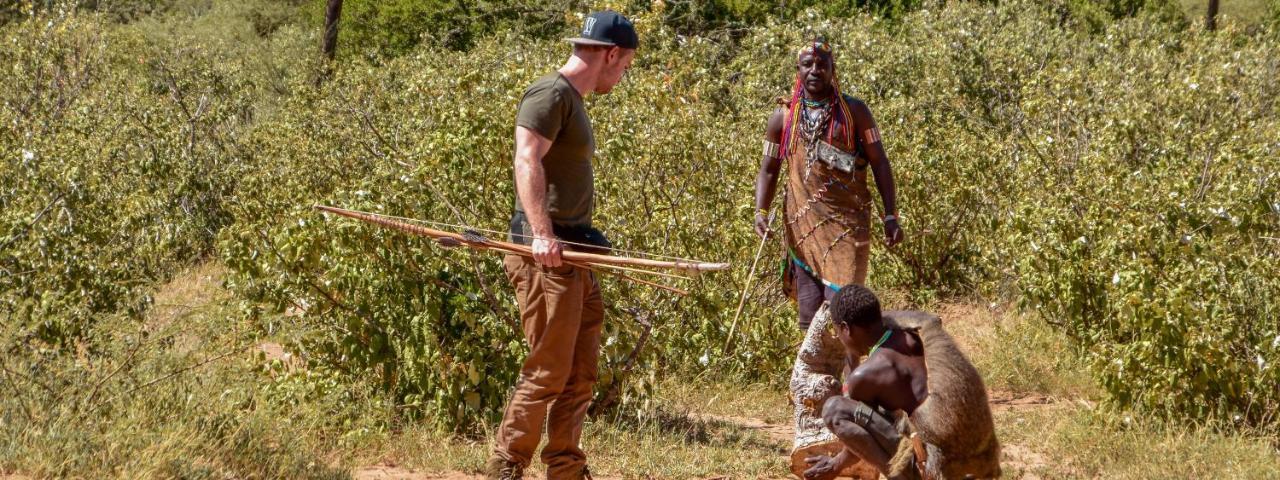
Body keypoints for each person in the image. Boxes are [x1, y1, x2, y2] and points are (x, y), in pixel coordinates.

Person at [485, 10, 637, 480]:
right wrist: (542, 235)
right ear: (610, 54)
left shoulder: (574, 99)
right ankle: (507, 465)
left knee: (581, 372)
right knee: (549, 369)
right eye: (625, 64)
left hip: (576, 253)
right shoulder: (550, 93)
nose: (623, 74)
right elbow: (526, 158)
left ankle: (566, 468)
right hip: (545, 255)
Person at [754, 37, 903, 331]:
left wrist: (890, 215)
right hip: (802, 227)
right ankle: (818, 377)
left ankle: (852, 375)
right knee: (809, 318)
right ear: (797, 69)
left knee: (844, 314)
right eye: (807, 64)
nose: (815, 70)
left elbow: (880, 162)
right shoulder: (782, 118)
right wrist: (760, 211)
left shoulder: (854, 112)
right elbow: (769, 169)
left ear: (833, 69)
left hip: (847, 226)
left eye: (822, 64)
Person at [804, 285, 1001, 480]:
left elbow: (862, 436)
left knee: (835, 409)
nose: (839, 338)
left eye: (838, 331)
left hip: (941, 470)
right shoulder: (917, 334)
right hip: (985, 461)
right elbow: (928, 318)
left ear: (846, 328)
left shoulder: (865, 376)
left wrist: (835, 465)